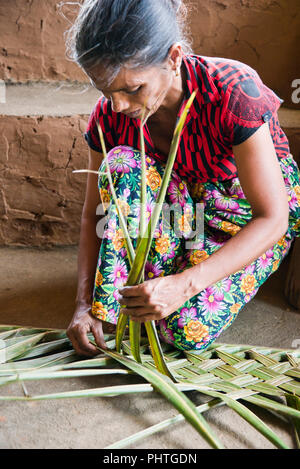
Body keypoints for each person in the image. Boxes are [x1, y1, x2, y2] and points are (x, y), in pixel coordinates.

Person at [64, 0, 300, 356]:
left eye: (132, 89)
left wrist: (185, 285)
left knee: (183, 329)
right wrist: (84, 303)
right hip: (181, 212)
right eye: (104, 90)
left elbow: (272, 217)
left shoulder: (232, 91)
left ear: (173, 57)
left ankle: (195, 270)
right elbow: (91, 213)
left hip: (245, 216)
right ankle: (162, 275)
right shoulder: (110, 116)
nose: (118, 106)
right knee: (122, 165)